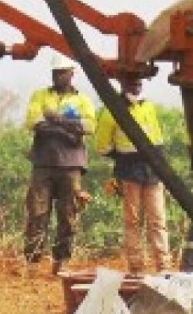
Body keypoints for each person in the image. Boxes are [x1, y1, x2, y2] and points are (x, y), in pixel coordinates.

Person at [23, 54, 96, 276]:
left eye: (62, 72)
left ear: (72, 74)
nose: (57, 76)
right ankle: (33, 261)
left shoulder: (83, 99)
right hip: (43, 162)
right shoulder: (40, 95)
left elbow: (90, 125)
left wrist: (56, 119)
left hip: (71, 165)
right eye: (55, 73)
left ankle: (61, 261)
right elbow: (33, 122)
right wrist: (69, 129)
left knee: (68, 214)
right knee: (37, 212)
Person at [96, 75, 171, 274]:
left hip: (152, 168)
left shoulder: (148, 107)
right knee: (133, 221)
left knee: (157, 219)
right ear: (123, 84)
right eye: (132, 83)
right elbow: (102, 146)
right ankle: (137, 267)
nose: (136, 87)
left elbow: (157, 139)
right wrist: (122, 159)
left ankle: (163, 266)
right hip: (129, 170)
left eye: (138, 83)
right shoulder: (112, 111)